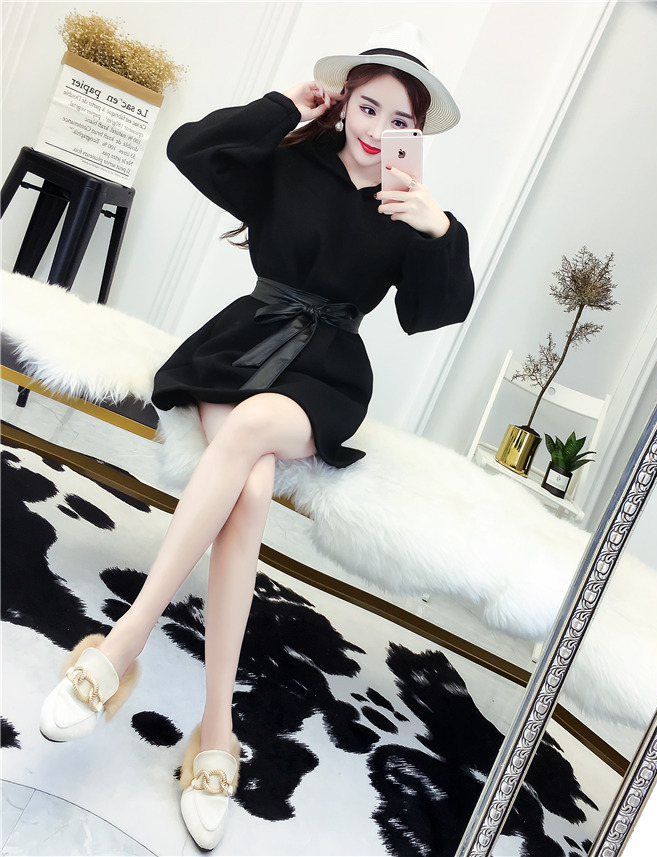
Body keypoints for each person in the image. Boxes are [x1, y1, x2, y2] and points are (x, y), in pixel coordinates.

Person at [39, 22, 473, 850]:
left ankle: (121, 645)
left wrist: (438, 231)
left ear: (415, 133)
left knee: (254, 430)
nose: (378, 127)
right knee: (254, 486)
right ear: (344, 103)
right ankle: (217, 730)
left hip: (326, 373)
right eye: (368, 106)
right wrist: (281, 106)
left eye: (399, 119)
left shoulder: (408, 206)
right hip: (243, 342)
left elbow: (430, 314)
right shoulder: (291, 157)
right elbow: (192, 150)